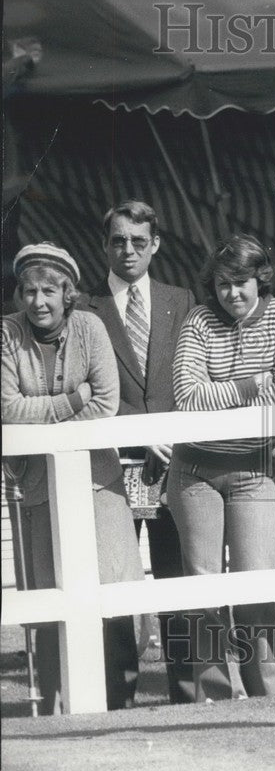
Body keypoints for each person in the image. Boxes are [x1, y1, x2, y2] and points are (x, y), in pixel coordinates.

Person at [1, 242, 144, 713]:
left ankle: (120, 703)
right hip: (35, 487)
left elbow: (105, 403)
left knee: (114, 591)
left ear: (67, 292)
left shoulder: (90, 327)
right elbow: (5, 409)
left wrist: (63, 407)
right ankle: (56, 708)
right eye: (28, 291)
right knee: (48, 598)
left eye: (47, 291)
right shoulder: (7, 335)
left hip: (98, 481)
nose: (37, 302)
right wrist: (71, 401)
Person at [167, 233, 275, 701]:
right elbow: (187, 397)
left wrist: (223, 392)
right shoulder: (198, 321)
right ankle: (214, 697)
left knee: (258, 585)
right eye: (223, 284)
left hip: (254, 468)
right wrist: (248, 387)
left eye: (242, 282)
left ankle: (266, 695)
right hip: (194, 471)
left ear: (260, 279)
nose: (232, 294)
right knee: (203, 590)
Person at [78, 200, 196, 705]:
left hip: (175, 466)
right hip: (110, 467)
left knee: (179, 578)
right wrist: (137, 430)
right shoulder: (84, 308)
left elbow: (191, 377)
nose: (128, 250)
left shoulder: (181, 299)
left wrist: (173, 437)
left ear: (156, 245)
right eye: (118, 240)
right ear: (105, 245)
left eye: (138, 241)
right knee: (113, 582)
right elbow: (84, 386)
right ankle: (117, 695)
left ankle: (188, 692)